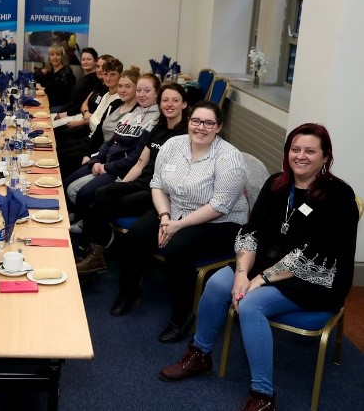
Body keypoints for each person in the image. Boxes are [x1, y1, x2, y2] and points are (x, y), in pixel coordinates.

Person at [159, 123, 359, 411]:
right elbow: (252, 232)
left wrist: (260, 279)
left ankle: (263, 396)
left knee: (251, 305)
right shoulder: (277, 184)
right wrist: (242, 273)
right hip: (267, 265)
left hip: (316, 276)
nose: (301, 156)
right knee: (217, 283)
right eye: (295, 149)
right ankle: (200, 355)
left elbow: (316, 253)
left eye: (310, 151)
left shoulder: (338, 195)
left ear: (326, 156)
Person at [112, 102, 248, 345]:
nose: (201, 127)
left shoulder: (229, 157)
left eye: (209, 123)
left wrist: (178, 226)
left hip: (220, 221)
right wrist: (165, 216)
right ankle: (129, 292)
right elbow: (156, 184)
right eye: (196, 121)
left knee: (178, 249)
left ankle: (181, 317)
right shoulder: (173, 145)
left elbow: (219, 206)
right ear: (189, 122)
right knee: (136, 236)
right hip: (174, 209)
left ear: (219, 127)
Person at [76, 83, 189, 275]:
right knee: (102, 195)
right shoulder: (157, 130)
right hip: (142, 182)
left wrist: (119, 190)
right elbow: (140, 164)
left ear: (184, 104)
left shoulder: (185, 134)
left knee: (105, 202)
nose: (170, 104)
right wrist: (121, 185)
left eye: (175, 100)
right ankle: (94, 253)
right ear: (160, 104)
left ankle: (95, 256)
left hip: (158, 191)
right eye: (165, 100)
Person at [64, 70, 159, 215]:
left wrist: (106, 167)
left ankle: (83, 221)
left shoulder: (154, 120)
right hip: (107, 164)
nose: (141, 94)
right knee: (67, 185)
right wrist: (96, 160)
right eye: (139, 90)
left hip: (121, 170)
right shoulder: (132, 114)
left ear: (157, 93)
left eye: (147, 91)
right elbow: (110, 142)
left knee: (81, 193)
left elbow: (135, 157)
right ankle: (79, 216)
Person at [53, 47, 100, 121]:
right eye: (83, 59)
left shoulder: (95, 80)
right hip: (67, 113)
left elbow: (82, 103)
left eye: (89, 59)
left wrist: (66, 113)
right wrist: (60, 112)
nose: (85, 62)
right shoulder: (82, 79)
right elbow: (71, 101)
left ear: (95, 62)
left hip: (76, 116)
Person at [33, 44, 76, 114]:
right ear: (49, 57)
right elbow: (34, 78)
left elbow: (51, 91)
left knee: (36, 112)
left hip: (61, 107)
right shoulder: (51, 70)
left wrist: (40, 87)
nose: (55, 57)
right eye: (52, 55)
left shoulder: (66, 72)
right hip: (50, 103)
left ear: (62, 57)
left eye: (58, 55)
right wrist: (42, 71)